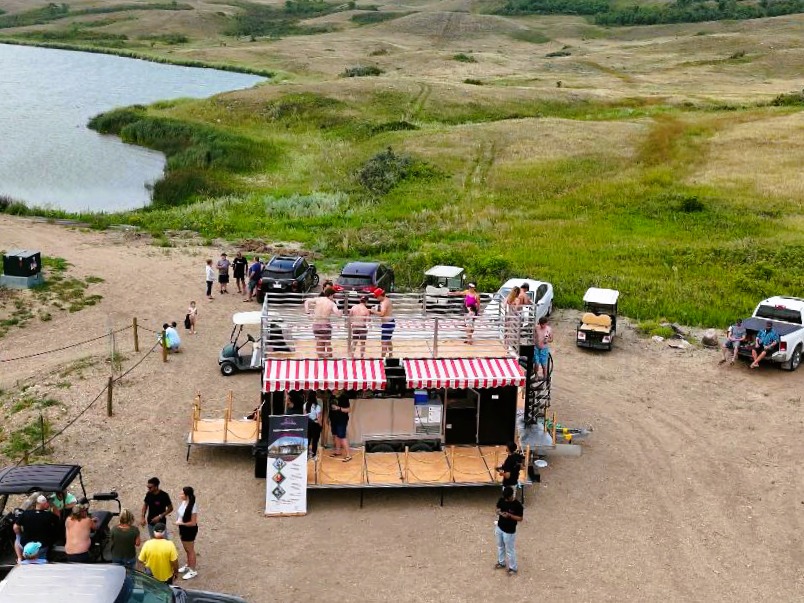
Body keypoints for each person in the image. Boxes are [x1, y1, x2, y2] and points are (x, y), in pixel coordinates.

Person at [14, 495, 60, 562]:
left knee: (17, 536)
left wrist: (20, 533)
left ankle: (19, 558)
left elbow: (15, 527)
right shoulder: (49, 515)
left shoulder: (26, 513)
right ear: (44, 504)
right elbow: (58, 518)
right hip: (42, 546)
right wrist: (52, 505)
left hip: (26, 546)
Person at [494, 486, 523, 575]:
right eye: (505, 498)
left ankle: (513, 568)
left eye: (507, 498)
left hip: (509, 531)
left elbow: (520, 518)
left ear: (511, 496)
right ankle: (501, 562)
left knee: (510, 550)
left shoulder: (517, 505)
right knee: (500, 546)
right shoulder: (502, 500)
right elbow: (496, 509)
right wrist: (500, 513)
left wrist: (510, 516)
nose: (505, 500)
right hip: (499, 527)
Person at [175, 487, 199, 580]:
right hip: (183, 528)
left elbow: (193, 523)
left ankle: (192, 570)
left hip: (189, 530)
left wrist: (181, 523)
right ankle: (188, 565)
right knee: (186, 549)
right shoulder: (184, 502)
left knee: (190, 550)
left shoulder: (193, 506)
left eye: (182, 494)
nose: (180, 495)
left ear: (187, 495)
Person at [312, 288, 341, 358]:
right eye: (333, 296)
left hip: (316, 324)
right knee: (327, 342)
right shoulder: (331, 303)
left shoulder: (318, 299)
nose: (333, 297)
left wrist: (307, 312)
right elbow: (338, 315)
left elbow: (307, 302)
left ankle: (320, 357)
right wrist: (341, 312)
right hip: (325, 325)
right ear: (330, 295)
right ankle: (329, 357)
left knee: (319, 342)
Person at [329, 390, 352, 462]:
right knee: (335, 435)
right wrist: (328, 418)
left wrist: (339, 408)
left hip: (341, 420)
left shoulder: (344, 397)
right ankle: (337, 451)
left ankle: (348, 455)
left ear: (338, 389)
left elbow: (348, 409)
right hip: (333, 419)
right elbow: (330, 409)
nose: (332, 390)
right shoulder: (331, 397)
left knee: (342, 436)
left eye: (333, 389)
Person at [371, 288, 395, 358]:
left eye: (376, 297)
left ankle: (382, 358)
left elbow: (382, 314)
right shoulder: (388, 300)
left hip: (387, 324)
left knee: (384, 342)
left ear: (380, 295)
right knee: (388, 340)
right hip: (390, 322)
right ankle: (391, 355)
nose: (376, 298)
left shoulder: (384, 303)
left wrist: (373, 311)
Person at [306, 391, 323, 458]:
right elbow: (318, 418)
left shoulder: (305, 405)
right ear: (315, 397)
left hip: (307, 424)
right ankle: (313, 454)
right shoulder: (317, 407)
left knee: (308, 439)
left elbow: (305, 415)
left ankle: (306, 454)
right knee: (315, 440)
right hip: (315, 424)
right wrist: (321, 425)